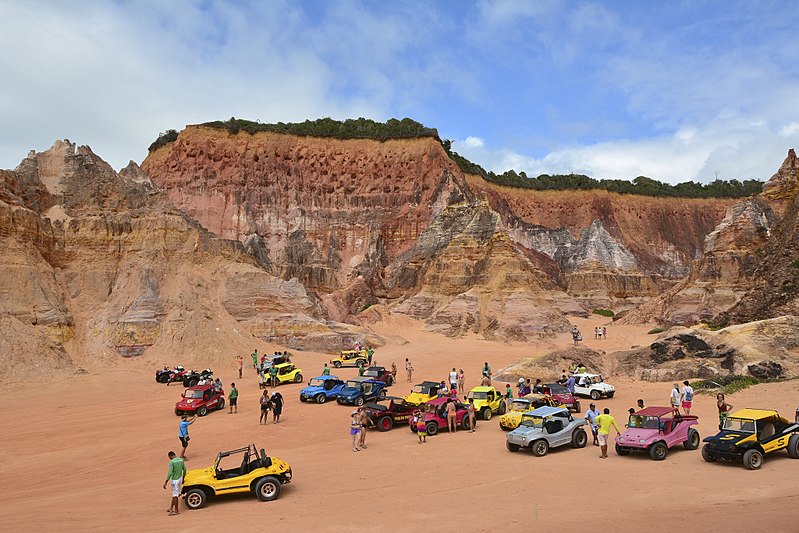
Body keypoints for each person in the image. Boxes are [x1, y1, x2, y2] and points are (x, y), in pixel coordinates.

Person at [163, 451, 186, 516]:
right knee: (175, 494)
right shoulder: (181, 460)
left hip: (175, 480)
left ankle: (176, 511)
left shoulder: (172, 462)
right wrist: (183, 478)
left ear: (169, 456)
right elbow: (184, 470)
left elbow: (170, 473)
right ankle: (171, 508)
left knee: (175, 495)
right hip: (180, 478)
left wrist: (165, 483)